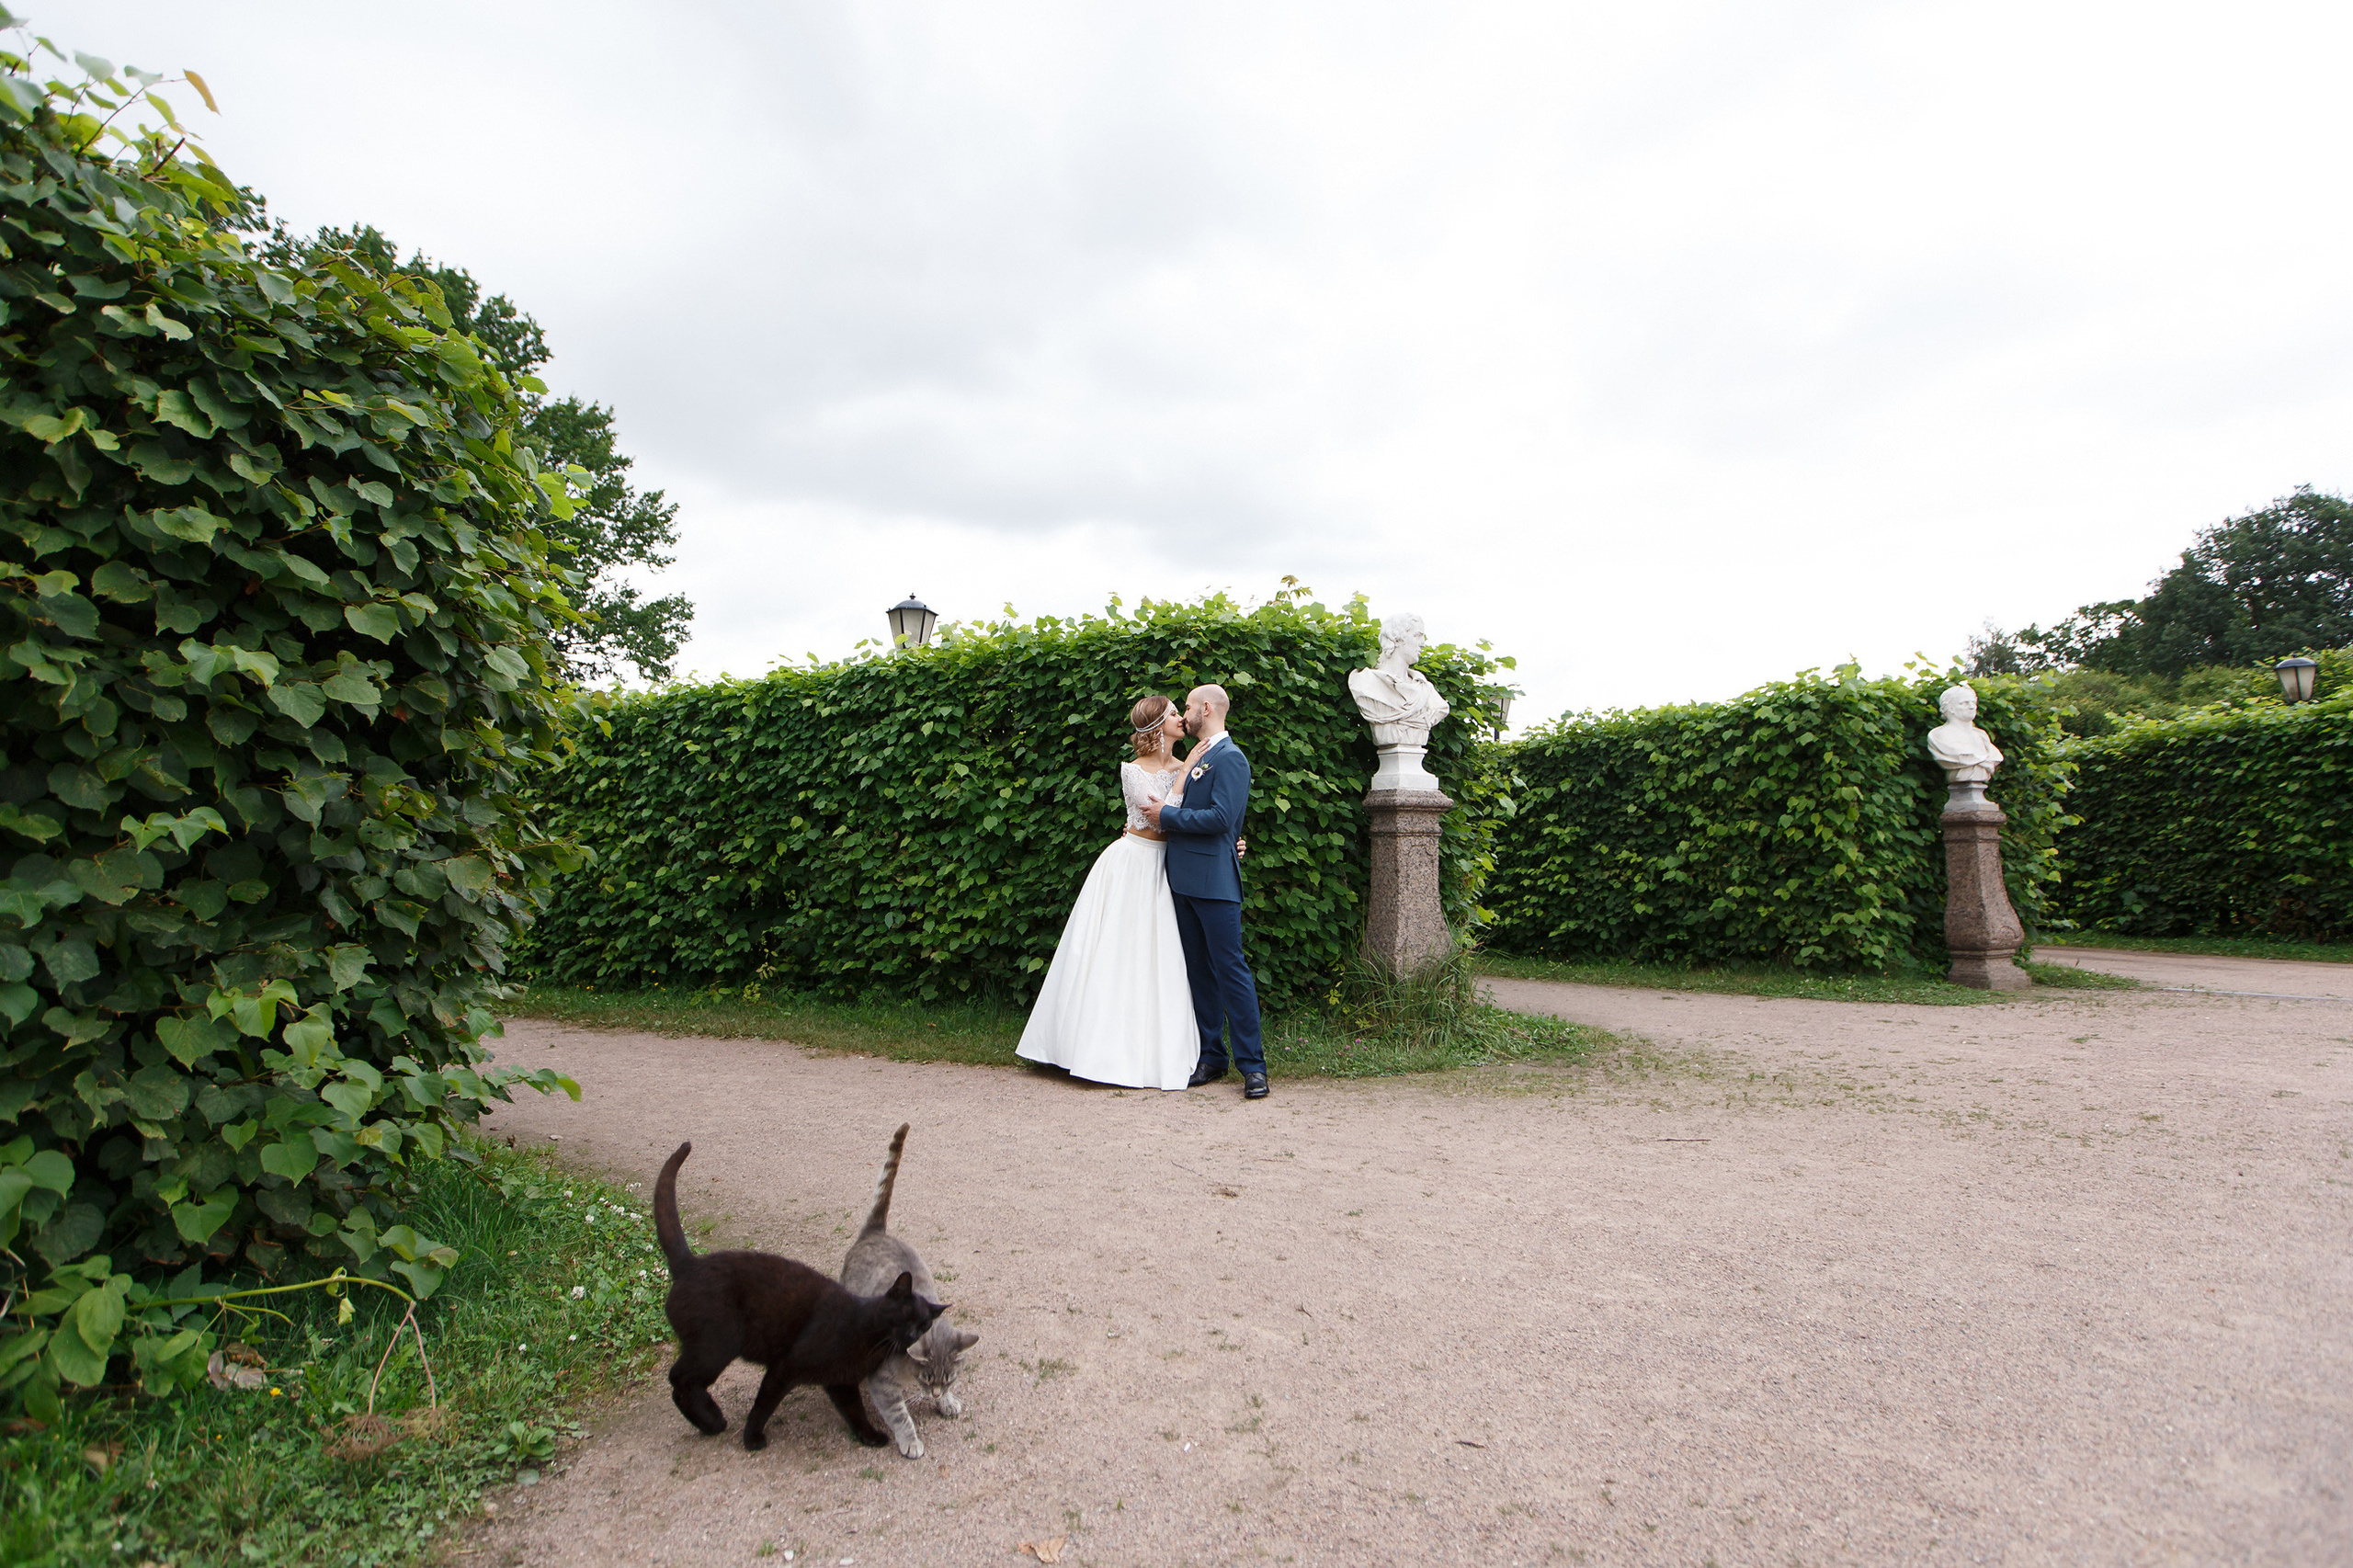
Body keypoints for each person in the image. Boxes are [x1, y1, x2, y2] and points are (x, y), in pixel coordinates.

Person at [1015, 696, 1202, 1090]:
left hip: (1167, 867)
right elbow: (1158, 818)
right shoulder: (1132, 771)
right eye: (1172, 714)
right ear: (1156, 727)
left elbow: (1192, 818)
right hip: (1133, 864)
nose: (1180, 719)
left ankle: (1151, 1046)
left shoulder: (1192, 766)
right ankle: (1091, 1048)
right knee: (1117, 951)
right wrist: (1183, 775)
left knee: (1159, 955)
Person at [1143, 684, 1268, 1101]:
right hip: (1181, 879)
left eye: (1191, 707)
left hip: (1215, 882)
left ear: (1207, 709)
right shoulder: (1199, 756)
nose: (1186, 714)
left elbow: (1220, 817)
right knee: (1199, 972)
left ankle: (1253, 1067)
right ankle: (1211, 1057)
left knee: (1231, 971)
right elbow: (1223, 822)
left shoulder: (1230, 758)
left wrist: (1168, 815)